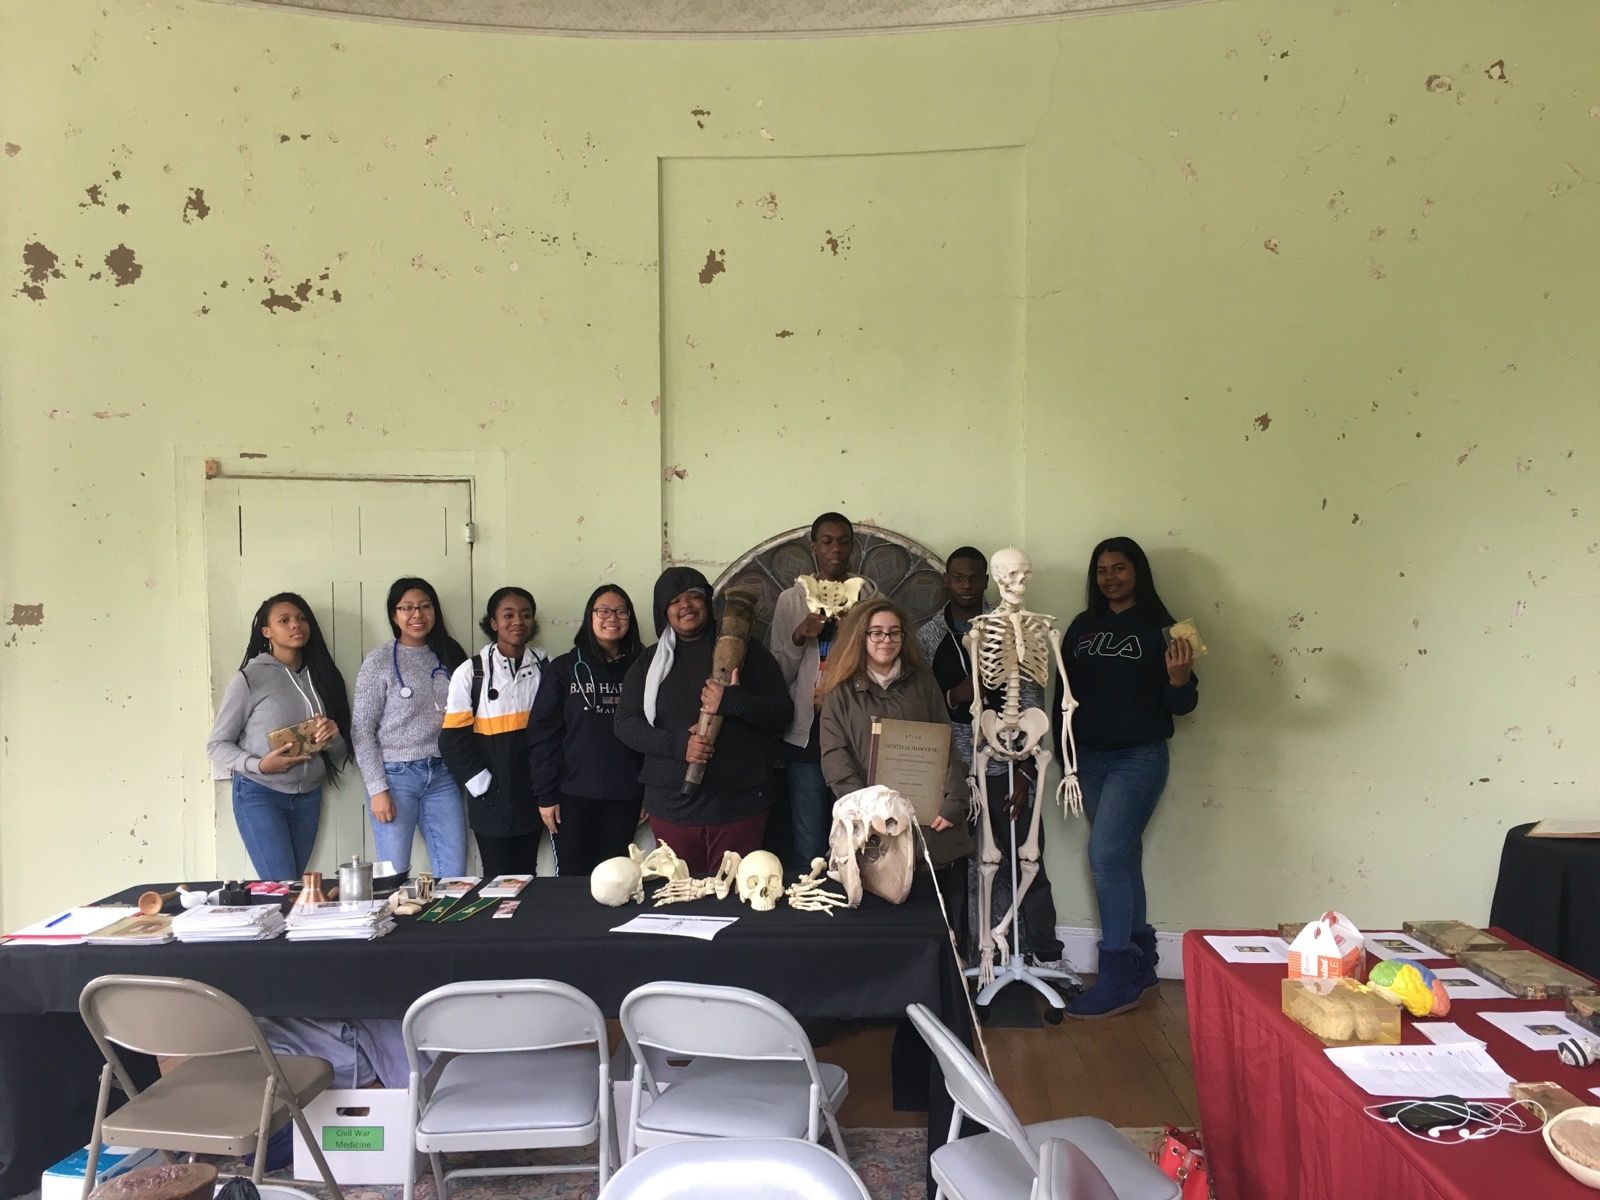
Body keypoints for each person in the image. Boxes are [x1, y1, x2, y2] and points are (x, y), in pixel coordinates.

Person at [1057, 536, 1198, 1019]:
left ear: (1137, 571)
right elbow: (1063, 696)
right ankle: (1143, 965)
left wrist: (1179, 681)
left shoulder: (1163, 629)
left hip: (1138, 758)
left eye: (1119, 568)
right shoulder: (1081, 627)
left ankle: (1116, 977)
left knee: (1106, 856)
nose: (1110, 577)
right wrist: (1065, 757)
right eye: (1102, 570)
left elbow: (1182, 705)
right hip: (1089, 760)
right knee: (1124, 855)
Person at [917, 547, 1071, 977]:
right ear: (947, 581)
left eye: (974, 577)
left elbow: (1034, 701)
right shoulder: (929, 634)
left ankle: (1047, 951)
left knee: (1027, 857)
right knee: (960, 864)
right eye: (958, 577)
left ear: (987, 580)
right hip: (955, 766)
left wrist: (1024, 771)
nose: (966, 585)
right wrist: (958, 695)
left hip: (1010, 761)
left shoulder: (1015, 628)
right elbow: (929, 703)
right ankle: (962, 952)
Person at [615, 566, 792, 876]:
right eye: (675, 600)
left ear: (708, 602)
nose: (686, 606)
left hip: (741, 805)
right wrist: (678, 745)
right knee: (682, 899)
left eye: (695, 596)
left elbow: (782, 714)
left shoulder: (749, 653)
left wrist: (734, 703)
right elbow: (625, 724)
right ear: (663, 611)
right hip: (673, 806)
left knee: (737, 897)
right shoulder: (649, 662)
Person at [819, 597, 973, 920]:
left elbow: (946, 746)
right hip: (871, 831)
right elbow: (835, 758)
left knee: (938, 919)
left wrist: (954, 799)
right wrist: (869, 811)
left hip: (931, 825)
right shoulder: (840, 692)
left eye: (894, 633)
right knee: (881, 921)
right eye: (876, 633)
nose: (886, 641)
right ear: (860, 637)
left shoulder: (923, 683)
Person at [207, 592, 350, 881]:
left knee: (293, 885)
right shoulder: (250, 678)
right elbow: (216, 745)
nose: (295, 625)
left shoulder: (321, 677)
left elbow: (339, 755)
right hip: (260, 794)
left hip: (308, 796)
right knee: (282, 885)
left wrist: (333, 737)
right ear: (267, 632)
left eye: (300, 618)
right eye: (284, 620)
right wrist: (259, 765)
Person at [767, 512, 877, 869]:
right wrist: (799, 636)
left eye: (843, 541)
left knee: (858, 822)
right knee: (808, 829)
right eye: (827, 541)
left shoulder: (869, 596)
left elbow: (885, 659)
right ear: (813, 546)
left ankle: (858, 904)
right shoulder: (791, 601)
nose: (836, 549)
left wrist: (855, 634)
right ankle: (808, 904)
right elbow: (778, 673)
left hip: (855, 723)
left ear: (853, 547)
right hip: (807, 730)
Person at [350, 577, 469, 877]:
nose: (417, 615)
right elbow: (361, 730)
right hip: (395, 778)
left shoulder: (451, 655)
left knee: (453, 872)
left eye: (425, 606)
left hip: (443, 775)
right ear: (394, 615)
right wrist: (378, 789)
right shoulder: (379, 661)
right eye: (407, 608)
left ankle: (446, 926)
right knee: (393, 873)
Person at [526, 584, 647, 875]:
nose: (612, 618)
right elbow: (543, 734)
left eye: (620, 612)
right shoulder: (564, 668)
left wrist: (650, 793)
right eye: (603, 611)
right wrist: (546, 794)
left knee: (617, 880)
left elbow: (653, 729)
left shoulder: (643, 667)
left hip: (626, 795)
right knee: (572, 881)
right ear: (589, 617)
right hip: (572, 797)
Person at [439, 586, 548, 878]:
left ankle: (524, 925)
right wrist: (483, 786)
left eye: (526, 615)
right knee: (497, 877)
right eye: (508, 615)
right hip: (492, 797)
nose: (518, 622)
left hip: (532, 793)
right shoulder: (471, 672)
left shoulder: (544, 667)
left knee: (527, 874)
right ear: (493, 623)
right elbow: (451, 741)